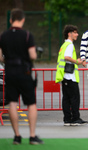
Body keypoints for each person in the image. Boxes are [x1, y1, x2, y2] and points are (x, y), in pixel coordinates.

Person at [0, 8, 43, 144]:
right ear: (23, 20)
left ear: (11, 20)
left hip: (10, 72)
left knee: (12, 103)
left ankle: (17, 136)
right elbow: (32, 55)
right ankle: (32, 136)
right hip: (24, 72)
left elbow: (0, 57)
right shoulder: (27, 35)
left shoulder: (3, 36)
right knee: (31, 103)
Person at [55, 25, 88, 126]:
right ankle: (75, 119)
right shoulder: (69, 45)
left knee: (66, 99)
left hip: (64, 76)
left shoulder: (64, 45)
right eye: (75, 32)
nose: (77, 34)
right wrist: (77, 62)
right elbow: (67, 57)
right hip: (70, 77)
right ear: (69, 34)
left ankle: (67, 119)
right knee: (74, 98)